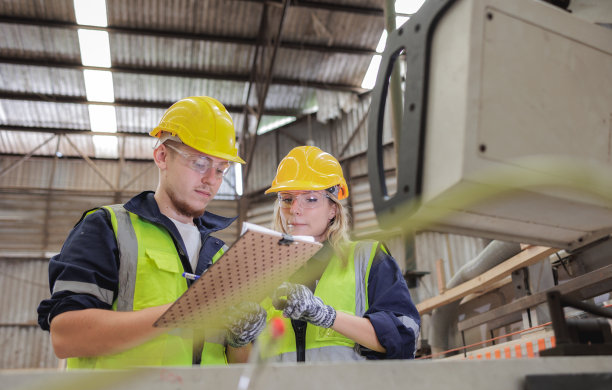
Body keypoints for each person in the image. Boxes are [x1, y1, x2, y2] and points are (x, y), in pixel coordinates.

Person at [37, 96, 266, 369]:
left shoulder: (223, 257)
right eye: (200, 163)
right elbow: (66, 336)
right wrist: (182, 312)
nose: (211, 181)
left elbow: (236, 366)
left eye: (220, 169)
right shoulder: (108, 227)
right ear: (162, 156)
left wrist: (241, 340)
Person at [257, 145, 420, 362]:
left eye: (311, 199)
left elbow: (405, 337)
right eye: (287, 199)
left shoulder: (368, 259)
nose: (295, 209)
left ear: (333, 209)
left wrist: (327, 316)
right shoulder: (265, 273)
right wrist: (238, 338)